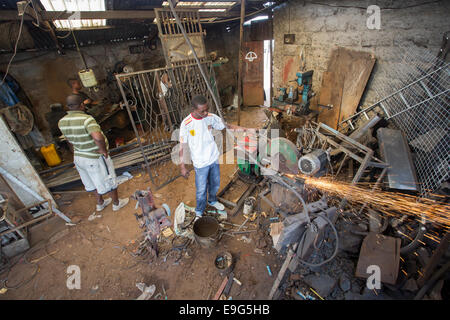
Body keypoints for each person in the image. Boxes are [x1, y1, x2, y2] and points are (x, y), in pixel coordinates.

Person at [178, 95, 249, 218]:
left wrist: (243, 129)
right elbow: (182, 146)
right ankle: (199, 211)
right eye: (202, 111)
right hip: (200, 163)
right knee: (201, 190)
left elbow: (226, 125)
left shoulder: (210, 117)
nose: (206, 113)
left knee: (215, 183)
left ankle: (212, 200)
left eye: (207, 109)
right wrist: (182, 167)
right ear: (193, 110)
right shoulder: (187, 124)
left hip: (213, 158)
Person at [58, 94, 129, 212]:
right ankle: (117, 203)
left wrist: (76, 154)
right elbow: (98, 137)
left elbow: (68, 140)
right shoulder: (87, 119)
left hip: (79, 157)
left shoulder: (62, 122)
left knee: (90, 182)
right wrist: (103, 150)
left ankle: (100, 203)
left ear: (68, 106)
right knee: (109, 179)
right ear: (81, 105)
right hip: (94, 157)